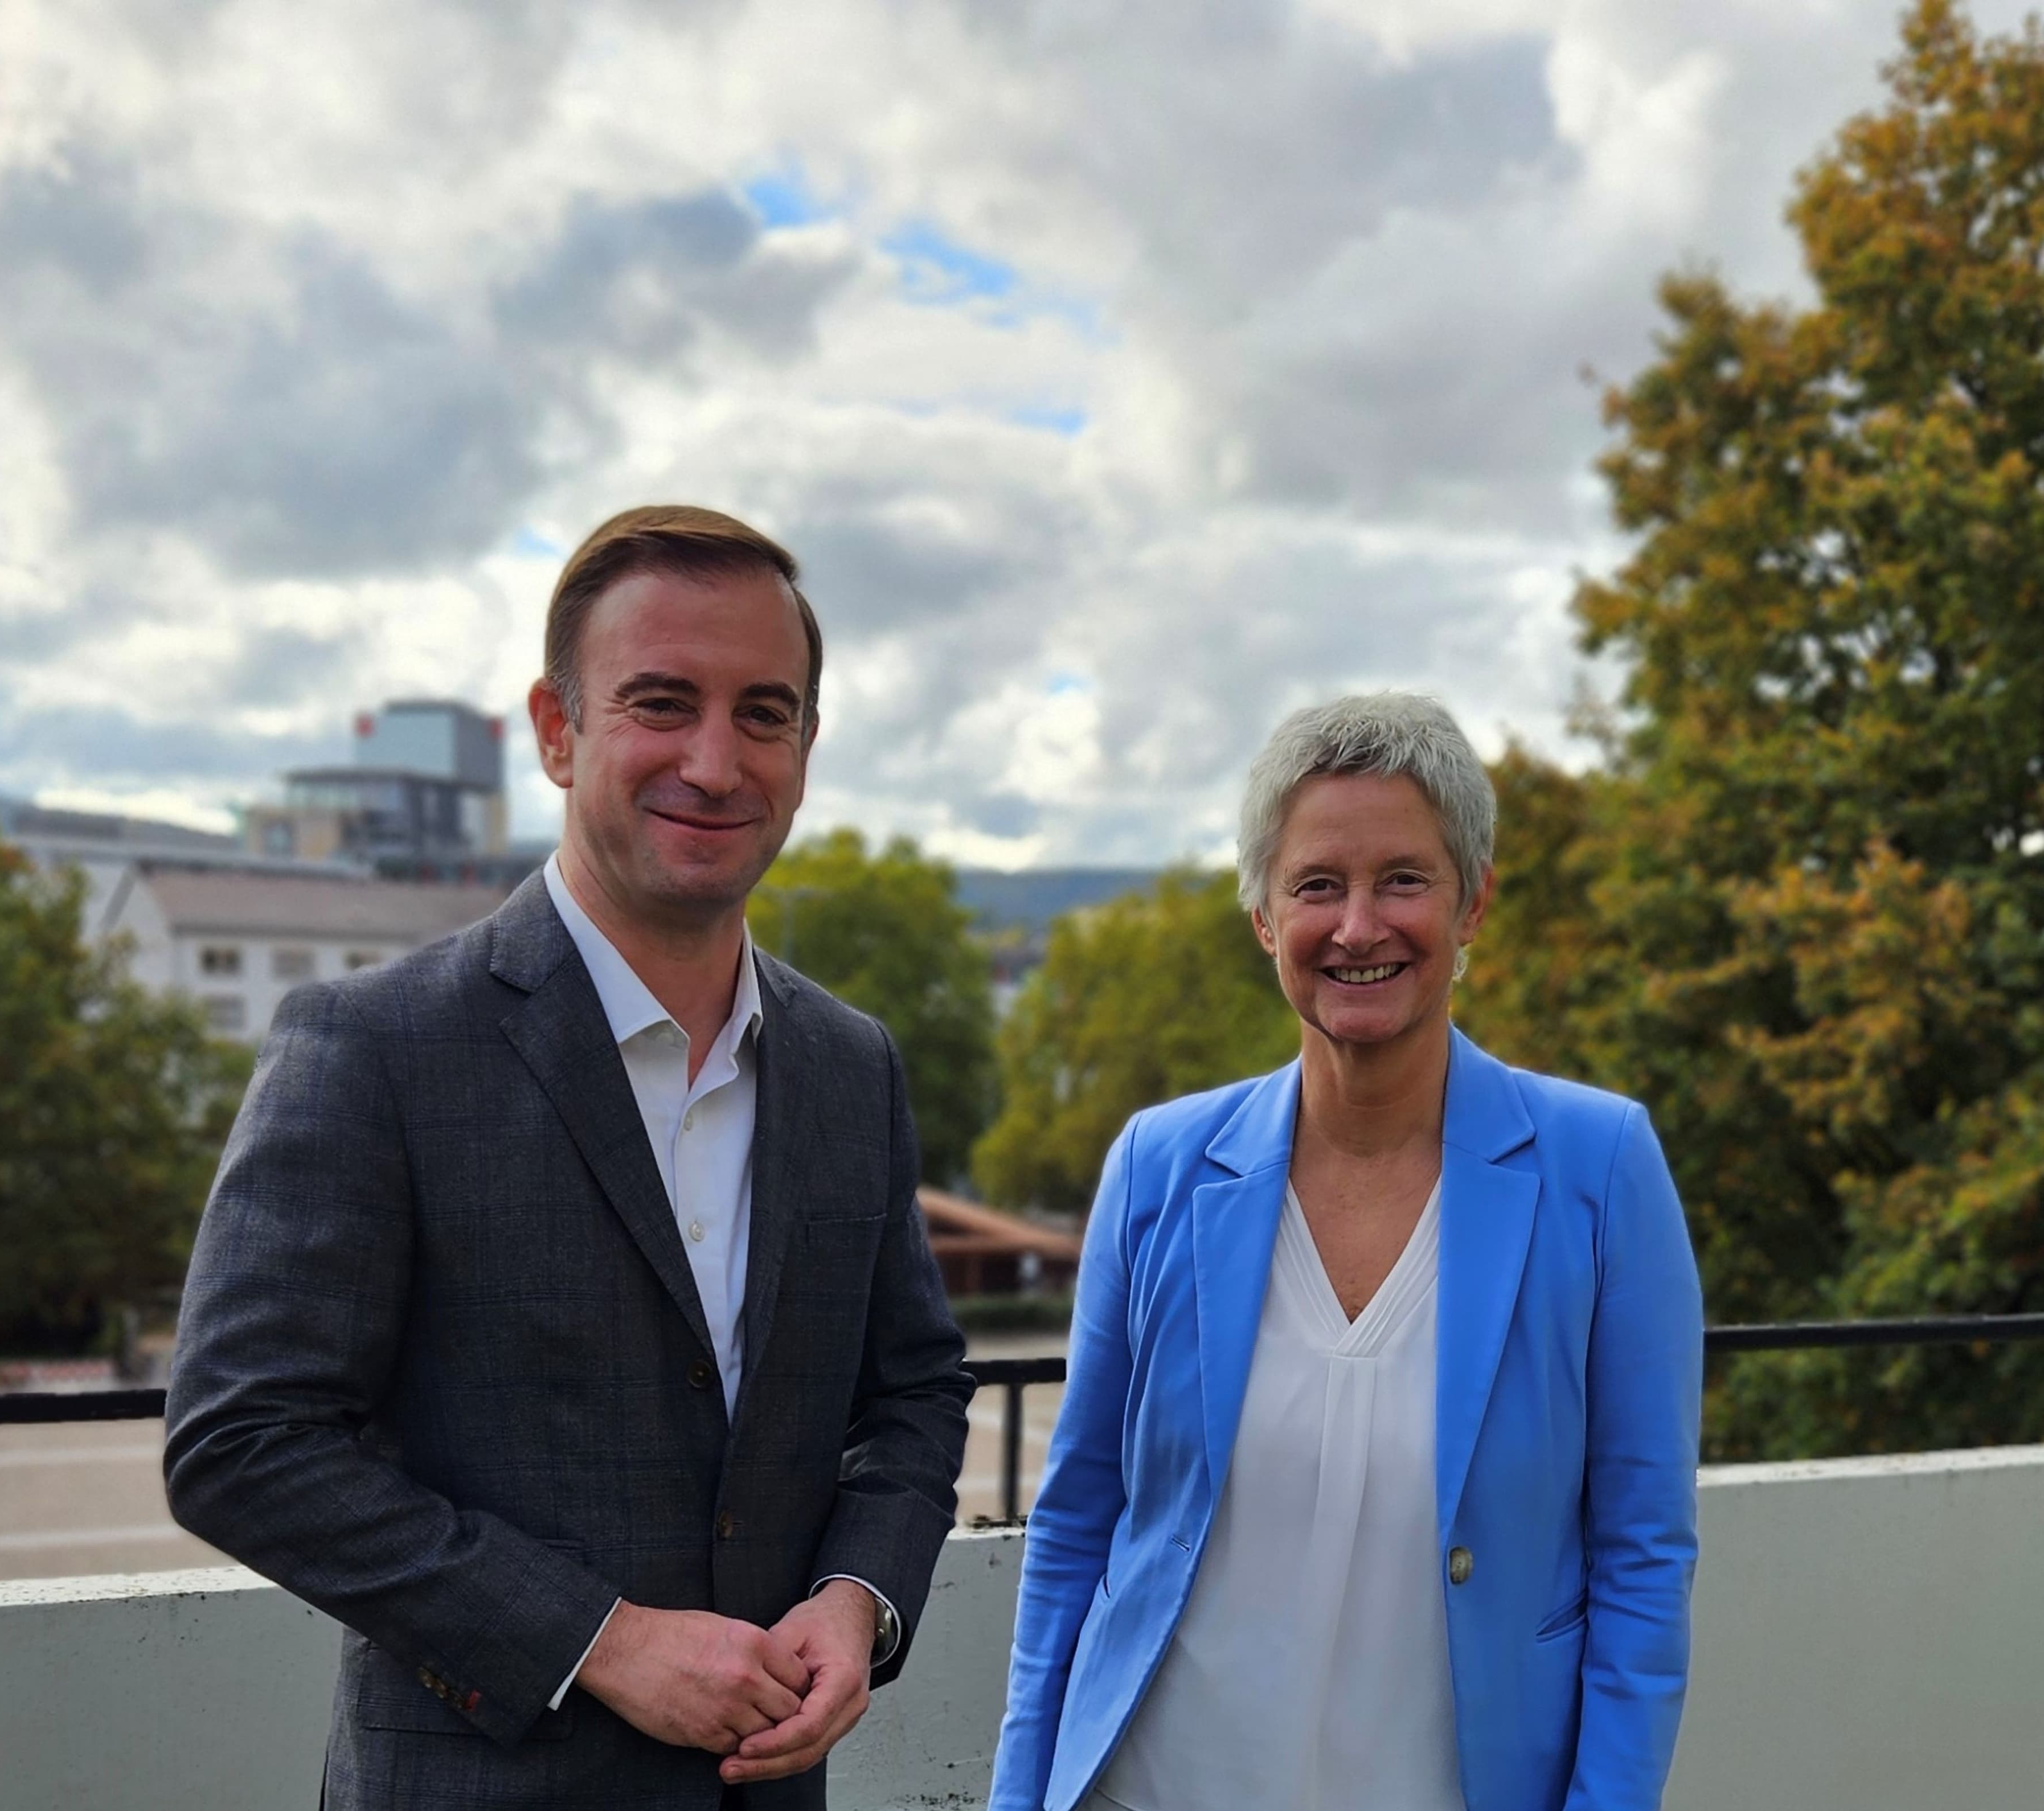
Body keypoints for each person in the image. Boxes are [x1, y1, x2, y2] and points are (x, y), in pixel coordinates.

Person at [165, 505, 973, 1811]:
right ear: (556, 729)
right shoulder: (377, 1048)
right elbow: (240, 1440)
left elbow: (914, 1389)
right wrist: (600, 1638)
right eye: (662, 703)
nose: (716, 762)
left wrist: (857, 1596)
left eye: (764, 713)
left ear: (808, 748)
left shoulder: (848, 1066)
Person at [991, 693, 1701, 1811]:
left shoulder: (1599, 1169)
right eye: (1317, 885)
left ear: (1473, 903)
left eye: (1404, 881)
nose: (1359, 927)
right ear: (1266, 918)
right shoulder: (1158, 1168)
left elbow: (1643, 1558)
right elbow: (1079, 1525)